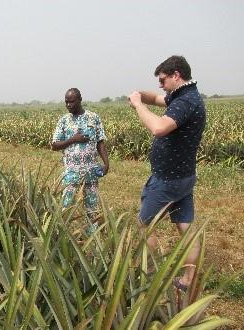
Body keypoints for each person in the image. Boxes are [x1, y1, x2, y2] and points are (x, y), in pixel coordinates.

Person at [128, 55, 206, 291]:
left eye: (162, 80)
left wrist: (139, 106)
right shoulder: (185, 95)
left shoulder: (185, 103)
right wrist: (139, 95)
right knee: (186, 227)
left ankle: (150, 276)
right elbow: (158, 98)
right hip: (183, 176)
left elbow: (159, 128)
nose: (160, 85)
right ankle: (187, 281)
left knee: (145, 224)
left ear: (176, 75)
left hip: (168, 179)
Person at [51, 88, 109, 234]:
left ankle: (93, 237)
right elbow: (54, 145)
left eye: (71, 101)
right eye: (66, 102)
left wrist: (106, 163)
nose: (68, 105)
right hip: (71, 172)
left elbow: (100, 142)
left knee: (92, 207)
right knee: (66, 205)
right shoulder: (64, 120)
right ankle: (63, 234)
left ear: (80, 100)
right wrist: (73, 139)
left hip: (91, 171)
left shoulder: (93, 118)